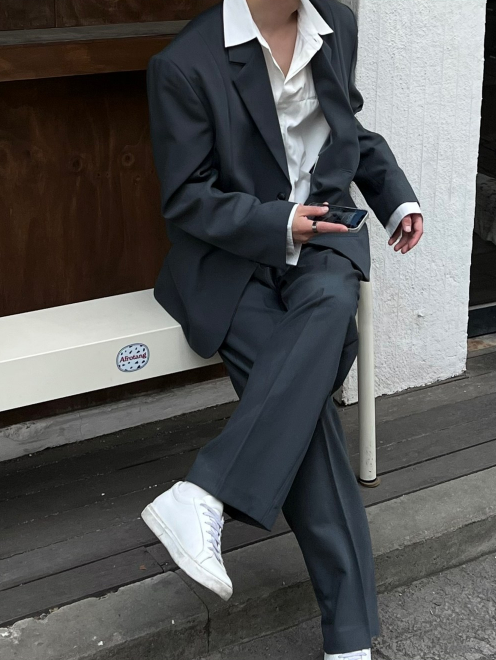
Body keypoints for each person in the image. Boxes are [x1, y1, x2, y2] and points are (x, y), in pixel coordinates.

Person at [142, 0, 424, 657]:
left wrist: (395, 196)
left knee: (326, 311)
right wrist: (277, 223)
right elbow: (185, 198)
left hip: (323, 239)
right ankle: (349, 640)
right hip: (231, 262)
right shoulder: (183, 64)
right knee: (305, 408)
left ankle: (205, 492)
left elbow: (348, 130)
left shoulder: (336, 24)